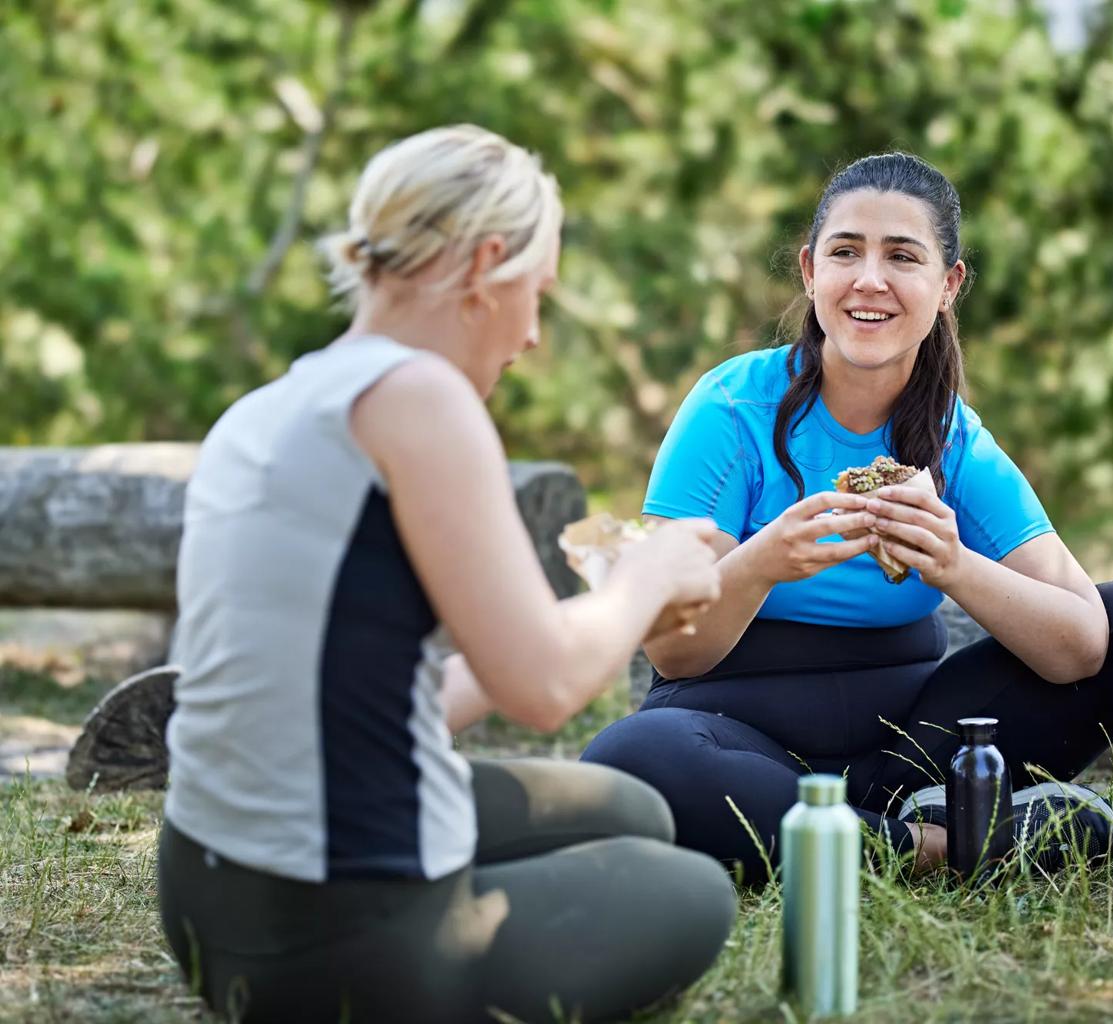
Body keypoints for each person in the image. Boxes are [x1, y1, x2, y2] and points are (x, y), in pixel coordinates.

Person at [582, 152, 1113, 903]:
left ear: (948, 286)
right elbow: (673, 652)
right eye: (846, 252)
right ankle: (955, 844)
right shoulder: (729, 411)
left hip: (915, 748)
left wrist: (953, 565)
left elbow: (1081, 644)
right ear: (810, 270)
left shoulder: (955, 439)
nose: (869, 280)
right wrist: (763, 562)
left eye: (902, 257)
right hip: (736, 739)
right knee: (631, 757)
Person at [157, 125, 737, 1024]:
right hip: (340, 939)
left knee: (631, 809)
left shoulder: (274, 407)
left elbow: (387, 690)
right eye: (536, 297)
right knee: (695, 889)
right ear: (488, 265)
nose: (535, 335)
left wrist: (603, 604)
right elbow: (545, 689)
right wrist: (648, 580)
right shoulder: (422, 398)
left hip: (205, 899)